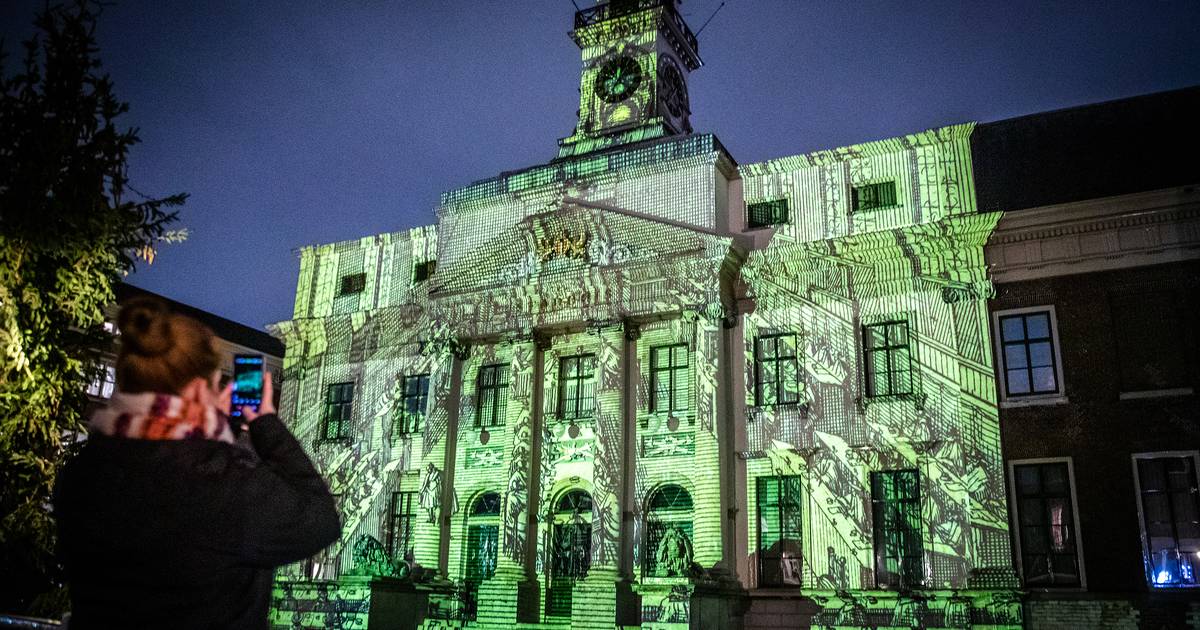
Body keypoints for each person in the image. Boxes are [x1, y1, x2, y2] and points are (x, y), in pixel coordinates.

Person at [55, 297, 340, 628]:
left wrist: (219, 433)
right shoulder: (221, 484)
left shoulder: (82, 472)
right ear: (195, 388)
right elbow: (319, 520)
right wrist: (263, 422)